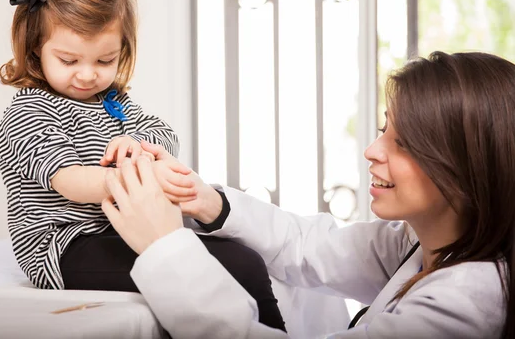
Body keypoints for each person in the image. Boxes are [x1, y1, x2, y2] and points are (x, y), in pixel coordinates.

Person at [101, 51, 514, 338]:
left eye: (402, 143)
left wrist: (166, 248)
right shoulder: (420, 243)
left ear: (465, 171)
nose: (372, 151)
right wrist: (210, 202)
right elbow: (308, 247)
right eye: (382, 130)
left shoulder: (463, 304)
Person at [0, 0, 286, 331]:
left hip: (120, 227)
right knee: (232, 266)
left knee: (244, 257)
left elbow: (163, 134)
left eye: (104, 61)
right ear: (35, 47)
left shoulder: (113, 100)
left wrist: (139, 145)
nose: (87, 75)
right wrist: (135, 178)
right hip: (65, 249)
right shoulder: (30, 112)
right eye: (69, 60)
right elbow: (69, 181)